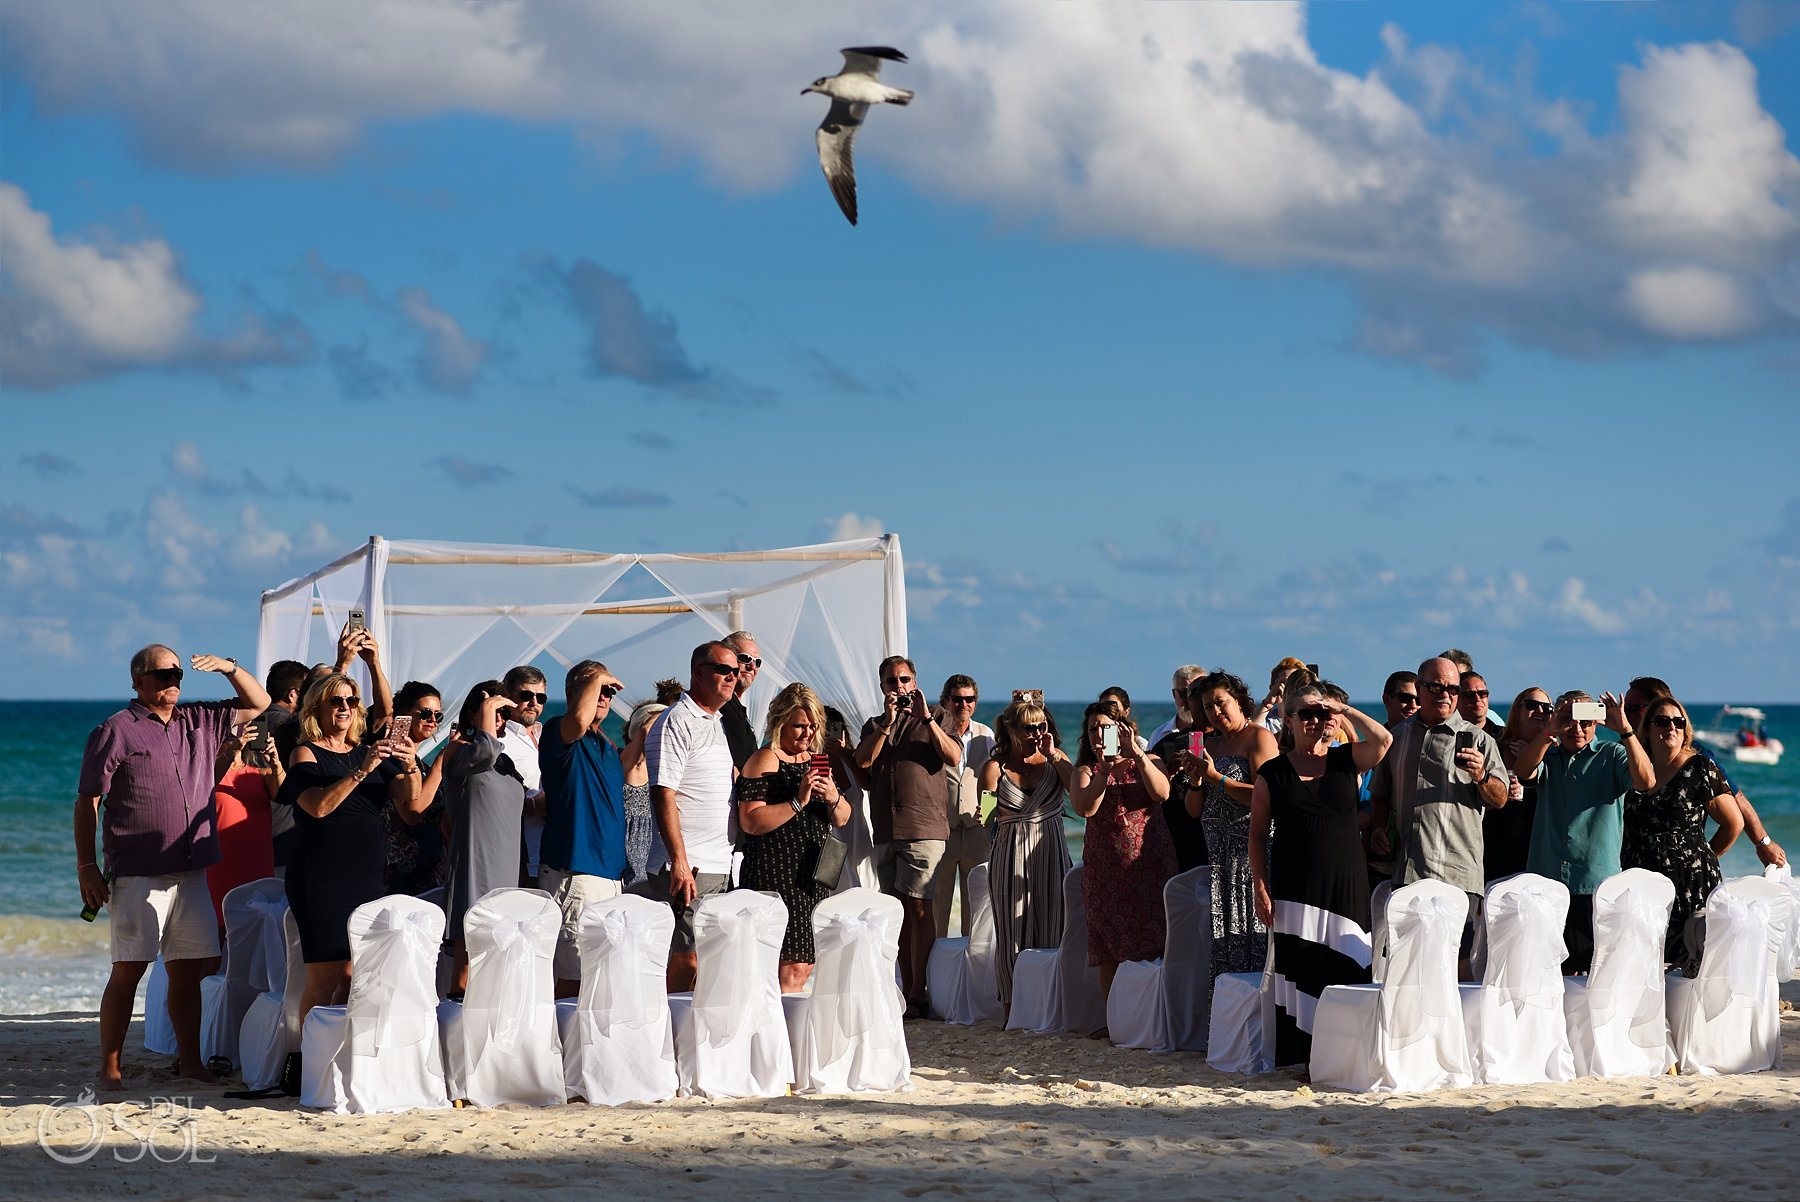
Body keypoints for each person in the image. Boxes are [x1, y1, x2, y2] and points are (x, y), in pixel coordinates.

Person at [76, 644, 270, 1089]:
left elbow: (259, 704)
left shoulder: (201, 719)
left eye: (178, 673)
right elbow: (87, 800)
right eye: (162, 674)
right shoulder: (116, 730)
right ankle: (110, 1069)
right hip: (138, 869)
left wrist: (229, 668)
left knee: (189, 968)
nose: (172, 681)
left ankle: (190, 1064)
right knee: (129, 968)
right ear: (138, 682)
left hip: (192, 867)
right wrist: (86, 865)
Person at [1250, 682, 1392, 1068]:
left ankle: (1347, 1056)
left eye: (1322, 714)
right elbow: (1258, 836)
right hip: (1294, 887)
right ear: (1289, 720)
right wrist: (1260, 887)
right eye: (1307, 714)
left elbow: (1383, 739)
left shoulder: (1346, 760)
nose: (1316, 720)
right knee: (1302, 970)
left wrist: (1341, 710)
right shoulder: (1273, 773)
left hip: (1346, 885)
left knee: (1349, 964)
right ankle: (1304, 1058)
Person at [282, 672, 423, 1042]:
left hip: (366, 877)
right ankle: (304, 1058)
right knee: (324, 975)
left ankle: (337, 1049)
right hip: (321, 877)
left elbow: (409, 797)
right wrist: (362, 771)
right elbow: (317, 806)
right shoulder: (305, 752)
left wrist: (410, 763)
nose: (345, 708)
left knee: (352, 972)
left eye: (352, 701)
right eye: (336, 701)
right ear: (317, 707)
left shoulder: (367, 750)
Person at [1367, 657, 1508, 976]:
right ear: (1419, 689)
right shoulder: (1397, 738)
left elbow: (1499, 798)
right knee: (1407, 967)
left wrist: (1482, 776)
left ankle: (1454, 1028)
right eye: (1436, 687)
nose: (1446, 694)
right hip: (1407, 873)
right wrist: (1378, 826)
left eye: (1452, 688)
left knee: (1456, 969)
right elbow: (1380, 792)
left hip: (1457, 875)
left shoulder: (1479, 739)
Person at [1511, 689, 1655, 973]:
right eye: (1571, 720)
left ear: (1596, 722)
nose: (1577, 728)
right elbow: (1523, 770)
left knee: (1592, 971)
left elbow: (1646, 780)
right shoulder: (1548, 755)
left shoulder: (1611, 753)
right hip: (1547, 879)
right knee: (1546, 970)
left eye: (1586, 721)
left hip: (1595, 881)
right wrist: (1551, 729)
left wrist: (1625, 729)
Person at [855, 655, 962, 1018]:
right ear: (882, 687)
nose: (898, 687)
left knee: (919, 906)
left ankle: (920, 991)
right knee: (897, 910)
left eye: (904, 680)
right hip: (886, 827)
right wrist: (886, 724)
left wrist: (927, 718)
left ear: (914, 682)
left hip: (924, 828)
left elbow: (953, 755)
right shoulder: (874, 723)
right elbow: (863, 763)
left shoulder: (937, 715)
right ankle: (906, 986)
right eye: (890, 681)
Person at [737, 683, 852, 992]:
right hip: (775, 874)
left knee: (804, 964)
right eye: (800, 726)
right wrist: (798, 802)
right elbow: (750, 820)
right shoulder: (765, 759)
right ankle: (781, 1036)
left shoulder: (815, 760)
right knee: (786, 966)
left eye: (813, 726)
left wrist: (832, 796)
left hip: (812, 876)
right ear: (780, 723)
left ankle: (784, 1034)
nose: (808, 734)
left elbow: (843, 817)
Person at [1069, 699, 1175, 1029]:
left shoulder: (1148, 760)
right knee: (1108, 946)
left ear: (1123, 729)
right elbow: (1085, 808)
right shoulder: (1085, 771)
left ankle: (1151, 1017)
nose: (1097, 734)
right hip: (1105, 868)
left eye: (1105, 727)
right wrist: (1103, 768)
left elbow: (1162, 794)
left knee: (1154, 940)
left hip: (1149, 864)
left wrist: (1137, 755)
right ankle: (1115, 1020)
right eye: (1091, 729)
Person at [643, 642, 740, 992]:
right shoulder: (676, 721)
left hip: (718, 864)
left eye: (737, 670)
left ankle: (691, 1038)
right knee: (685, 958)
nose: (733, 676)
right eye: (723, 670)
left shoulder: (717, 721)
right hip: (689, 867)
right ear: (698, 672)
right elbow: (662, 792)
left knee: (707, 960)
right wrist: (679, 861)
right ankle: (675, 1040)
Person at [1620, 695, 1739, 973]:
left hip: (1691, 883)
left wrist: (1702, 857)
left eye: (1678, 721)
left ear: (1685, 729)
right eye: (1661, 721)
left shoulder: (1700, 767)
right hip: (1641, 880)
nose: (1670, 727)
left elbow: (1733, 823)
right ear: (1647, 729)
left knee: (1690, 966)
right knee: (1644, 963)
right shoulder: (1633, 767)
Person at [1178, 671, 1278, 987]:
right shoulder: (1211, 744)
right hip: (1218, 861)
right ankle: (1228, 1026)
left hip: (1250, 858)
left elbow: (1267, 798)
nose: (1215, 712)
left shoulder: (1259, 738)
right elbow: (1195, 810)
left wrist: (1217, 778)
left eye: (1221, 703)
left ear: (1238, 700)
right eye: (1208, 707)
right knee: (1223, 943)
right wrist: (1196, 781)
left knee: (1253, 936)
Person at [1625, 676, 1786, 869]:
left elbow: (1734, 797)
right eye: (1625, 708)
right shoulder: (1621, 751)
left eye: (1632, 709)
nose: (1625, 715)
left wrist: (1762, 842)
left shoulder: (1696, 757)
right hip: (1634, 872)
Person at [539, 659, 629, 998]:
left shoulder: (606, 745)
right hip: (575, 874)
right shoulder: (557, 731)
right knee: (573, 978)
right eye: (596, 689)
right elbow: (577, 719)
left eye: (608, 691)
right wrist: (601, 677)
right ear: (572, 693)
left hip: (607, 876)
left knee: (600, 979)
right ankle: (564, 1049)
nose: (604, 696)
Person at [979, 698, 1073, 1015]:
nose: (1035, 732)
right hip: (1009, 854)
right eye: (1029, 727)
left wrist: (1055, 756)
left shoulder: (1055, 762)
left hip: (1052, 851)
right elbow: (987, 819)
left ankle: (1050, 1004)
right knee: (1011, 933)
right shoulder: (994, 767)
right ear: (1010, 729)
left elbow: (1080, 790)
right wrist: (983, 812)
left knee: (1054, 926)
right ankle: (1011, 1006)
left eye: (1041, 726)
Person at [442, 681, 530, 994]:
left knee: (501, 962)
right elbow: (484, 750)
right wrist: (488, 709)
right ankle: (460, 1034)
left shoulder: (504, 760)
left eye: (506, 713)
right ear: (472, 713)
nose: (501, 719)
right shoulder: (459, 750)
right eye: (495, 712)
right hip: (475, 863)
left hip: (507, 867)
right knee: (469, 964)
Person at [933, 674, 995, 939]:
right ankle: (934, 976)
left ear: (975, 702)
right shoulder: (934, 733)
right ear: (945, 701)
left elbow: (992, 778)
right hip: (942, 829)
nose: (963, 704)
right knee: (937, 908)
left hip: (976, 830)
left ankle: (973, 972)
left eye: (969, 699)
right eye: (957, 699)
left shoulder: (986, 735)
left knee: (978, 906)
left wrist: (990, 818)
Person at [205, 732, 278, 929]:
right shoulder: (206, 775)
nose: (233, 735)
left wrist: (275, 763)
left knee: (259, 932)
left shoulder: (259, 774)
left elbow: (285, 793)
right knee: (220, 933)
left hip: (257, 866)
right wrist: (230, 752)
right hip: (221, 867)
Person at [382, 681, 449, 896]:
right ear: (403, 714)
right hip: (402, 877)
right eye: (426, 713)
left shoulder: (421, 766)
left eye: (438, 716)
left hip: (432, 871)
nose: (432, 720)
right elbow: (412, 813)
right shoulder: (389, 759)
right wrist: (441, 762)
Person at [243, 658, 306, 874]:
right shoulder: (293, 728)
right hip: (285, 835)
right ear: (293, 695)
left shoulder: (253, 721)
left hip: (255, 830)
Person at [1148, 668, 1211, 874]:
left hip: (1219, 842)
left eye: (1204, 693)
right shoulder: (1165, 743)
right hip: (1178, 842)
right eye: (1189, 694)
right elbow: (1151, 796)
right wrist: (1168, 773)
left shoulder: (1232, 742)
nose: (1196, 701)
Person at [1486, 687, 1551, 883]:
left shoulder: (1556, 754)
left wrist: (1531, 760)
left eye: (1547, 708)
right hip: (1493, 847)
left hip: (1537, 852)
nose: (1540, 711)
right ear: (1516, 711)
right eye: (1532, 705)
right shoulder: (1494, 749)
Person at [619, 686, 679, 890]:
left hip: (652, 855)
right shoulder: (631, 763)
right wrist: (669, 713)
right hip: (630, 849)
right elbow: (645, 731)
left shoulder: (658, 767)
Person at [498, 666, 549, 887]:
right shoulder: (500, 742)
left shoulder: (546, 736)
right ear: (507, 698)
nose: (534, 702)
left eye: (541, 697)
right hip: (520, 857)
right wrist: (532, 805)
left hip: (553, 857)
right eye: (526, 695)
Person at [720, 630, 762, 769]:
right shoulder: (721, 704)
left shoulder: (736, 707)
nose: (752, 666)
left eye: (757, 662)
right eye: (745, 658)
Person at [1143, 665, 1206, 749]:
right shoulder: (1159, 735)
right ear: (1174, 694)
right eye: (1184, 693)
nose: (1190, 700)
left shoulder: (1219, 734)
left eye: (1196, 694)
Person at [1252, 656, 1307, 734]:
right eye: (1286, 682)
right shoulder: (1267, 720)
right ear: (1273, 687)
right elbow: (1251, 732)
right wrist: (1268, 701)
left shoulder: (1311, 718)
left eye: (1297, 683)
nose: (1291, 687)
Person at [1457, 671, 1505, 740]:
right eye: (1469, 694)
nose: (1477, 699)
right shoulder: (1445, 737)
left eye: (1482, 693)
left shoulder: (1506, 738)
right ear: (1456, 699)